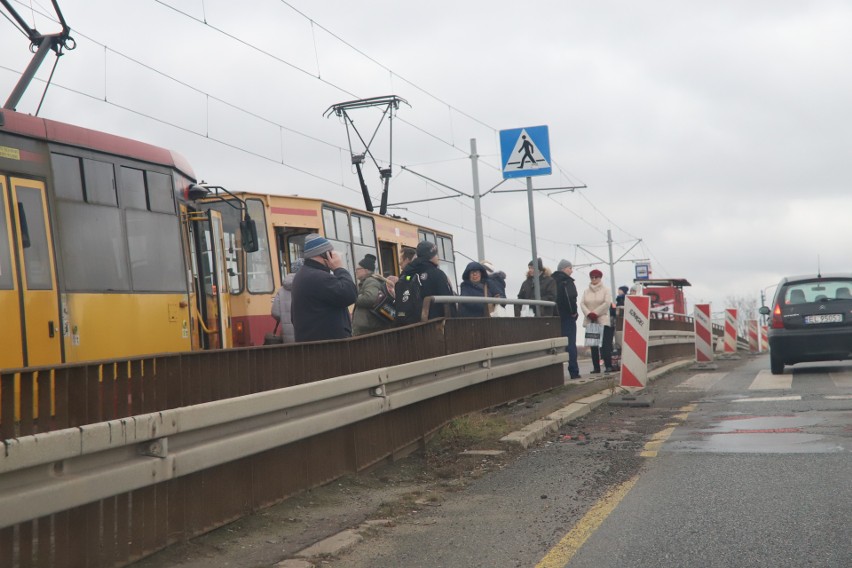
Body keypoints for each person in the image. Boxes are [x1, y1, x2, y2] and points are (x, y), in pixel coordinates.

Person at [291, 234, 358, 342]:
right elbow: (350, 294)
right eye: (331, 253)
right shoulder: (318, 277)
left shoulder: (302, 275)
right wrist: (339, 268)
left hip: (314, 345)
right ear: (325, 254)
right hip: (328, 348)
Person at [401, 240, 455, 320]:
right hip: (434, 324)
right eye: (435, 254)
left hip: (412, 325)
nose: (437, 257)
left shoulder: (407, 274)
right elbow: (448, 302)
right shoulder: (437, 274)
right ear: (429, 257)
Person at [352, 253, 395, 336]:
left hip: (368, 329)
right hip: (370, 327)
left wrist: (354, 297)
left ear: (366, 270)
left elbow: (370, 299)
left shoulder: (370, 281)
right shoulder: (369, 281)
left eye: (358, 269)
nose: (356, 271)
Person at [552, 259, 581, 379]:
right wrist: (574, 312)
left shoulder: (552, 280)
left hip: (555, 317)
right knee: (570, 345)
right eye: (570, 268)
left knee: (556, 345)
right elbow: (571, 298)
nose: (572, 271)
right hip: (567, 316)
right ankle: (573, 372)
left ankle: (556, 374)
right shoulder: (567, 281)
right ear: (563, 269)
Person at [581, 268, 613, 374]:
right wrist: (589, 313)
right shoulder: (586, 291)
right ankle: (596, 367)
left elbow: (607, 303)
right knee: (593, 345)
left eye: (596, 277)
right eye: (592, 277)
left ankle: (608, 365)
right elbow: (582, 304)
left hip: (602, 319)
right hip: (591, 320)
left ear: (600, 278)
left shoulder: (606, 290)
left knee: (604, 345)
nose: (594, 279)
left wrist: (596, 313)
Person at [270, 258, 304, 344]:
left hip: (288, 339)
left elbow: (275, 312)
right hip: (306, 335)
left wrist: (285, 318)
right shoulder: (307, 285)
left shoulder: (281, 290)